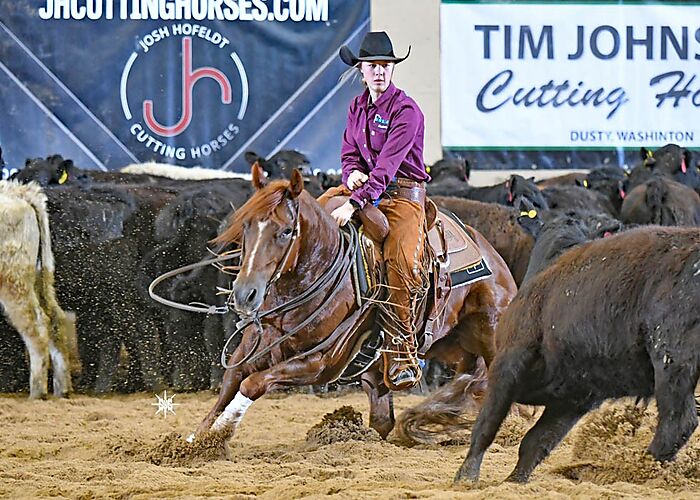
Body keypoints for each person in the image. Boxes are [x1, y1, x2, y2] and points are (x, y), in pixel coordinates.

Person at [328, 31, 431, 390]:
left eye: (386, 65)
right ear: (361, 70)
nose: (380, 71)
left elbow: (387, 168)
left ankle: (401, 350)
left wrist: (354, 202)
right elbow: (348, 153)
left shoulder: (406, 111)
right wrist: (350, 173)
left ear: (392, 70)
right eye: (373, 66)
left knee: (401, 262)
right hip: (368, 191)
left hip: (402, 197)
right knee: (318, 217)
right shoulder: (357, 107)